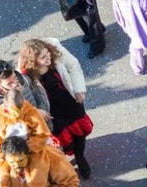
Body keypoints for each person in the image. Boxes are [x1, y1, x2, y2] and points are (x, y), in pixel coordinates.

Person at [17, 38, 93, 178]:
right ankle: (64, 163)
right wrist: (38, 112)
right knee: (63, 142)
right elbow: (24, 99)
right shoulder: (24, 76)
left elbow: (73, 66)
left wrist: (79, 89)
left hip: (71, 102)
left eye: (48, 54)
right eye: (43, 57)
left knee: (80, 135)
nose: (48, 58)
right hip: (52, 113)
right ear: (33, 61)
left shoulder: (56, 51)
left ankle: (80, 158)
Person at [0, 135, 79, 187]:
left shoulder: (48, 155)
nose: (16, 165)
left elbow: (71, 182)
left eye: (21, 160)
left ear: (28, 153)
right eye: (11, 162)